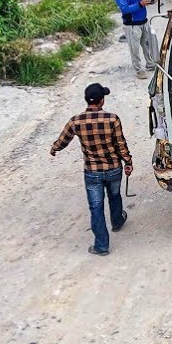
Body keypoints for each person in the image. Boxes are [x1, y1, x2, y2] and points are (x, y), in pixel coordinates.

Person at [49, 83, 133, 257]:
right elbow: (121, 144)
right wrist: (128, 162)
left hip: (92, 172)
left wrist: (54, 148)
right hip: (113, 169)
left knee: (96, 207)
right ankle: (117, 221)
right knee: (115, 196)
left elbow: (63, 140)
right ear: (102, 101)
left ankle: (101, 246)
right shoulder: (112, 119)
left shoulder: (76, 121)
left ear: (87, 100)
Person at [115, 0, 158, 79]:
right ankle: (139, 70)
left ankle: (150, 64)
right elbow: (125, 9)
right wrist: (140, 4)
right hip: (132, 25)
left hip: (144, 22)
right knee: (135, 49)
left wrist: (151, 0)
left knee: (147, 44)